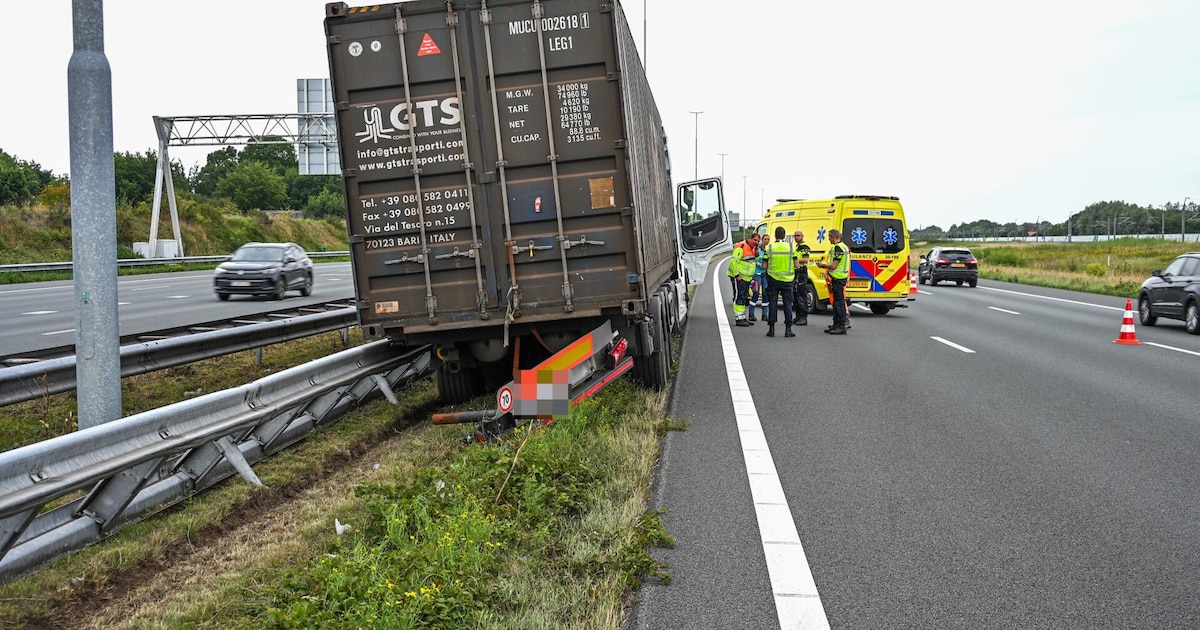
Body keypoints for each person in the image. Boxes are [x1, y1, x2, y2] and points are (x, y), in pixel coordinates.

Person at [763, 226, 796, 337]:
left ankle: (771, 329)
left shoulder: (770, 248)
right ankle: (788, 329)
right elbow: (796, 264)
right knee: (787, 304)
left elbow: (764, 265)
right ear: (784, 235)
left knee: (773, 303)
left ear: (775, 235)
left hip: (773, 279)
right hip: (788, 280)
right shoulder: (791, 247)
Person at [817, 228, 850, 335]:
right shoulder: (843, 246)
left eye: (830, 237)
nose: (828, 239)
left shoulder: (838, 248)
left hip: (838, 278)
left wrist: (823, 265)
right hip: (839, 277)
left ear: (835, 237)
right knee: (836, 302)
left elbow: (834, 266)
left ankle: (841, 326)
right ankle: (836, 324)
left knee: (839, 303)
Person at [730, 232, 760, 327]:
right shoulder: (741, 246)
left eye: (758, 241)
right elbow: (733, 261)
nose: (756, 242)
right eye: (755, 240)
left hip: (747, 277)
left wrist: (757, 255)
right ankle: (738, 318)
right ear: (750, 238)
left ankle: (742, 317)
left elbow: (753, 262)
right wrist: (737, 275)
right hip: (739, 276)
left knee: (744, 297)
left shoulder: (754, 249)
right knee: (739, 296)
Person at [790, 230, 811, 326]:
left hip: (801, 273)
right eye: (795, 236)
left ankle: (803, 317)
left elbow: (806, 259)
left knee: (801, 295)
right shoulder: (796, 247)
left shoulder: (804, 246)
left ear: (802, 236)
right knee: (795, 294)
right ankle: (798, 315)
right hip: (795, 272)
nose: (796, 237)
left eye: (798, 235)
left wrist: (796, 260)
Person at [749, 233, 770, 321]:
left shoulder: (769, 250)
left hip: (765, 274)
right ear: (762, 240)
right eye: (765, 239)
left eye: (768, 239)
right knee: (756, 293)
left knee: (765, 294)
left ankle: (764, 314)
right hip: (757, 273)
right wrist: (760, 264)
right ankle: (751, 314)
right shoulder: (757, 249)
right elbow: (753, 259)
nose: (767, 241)